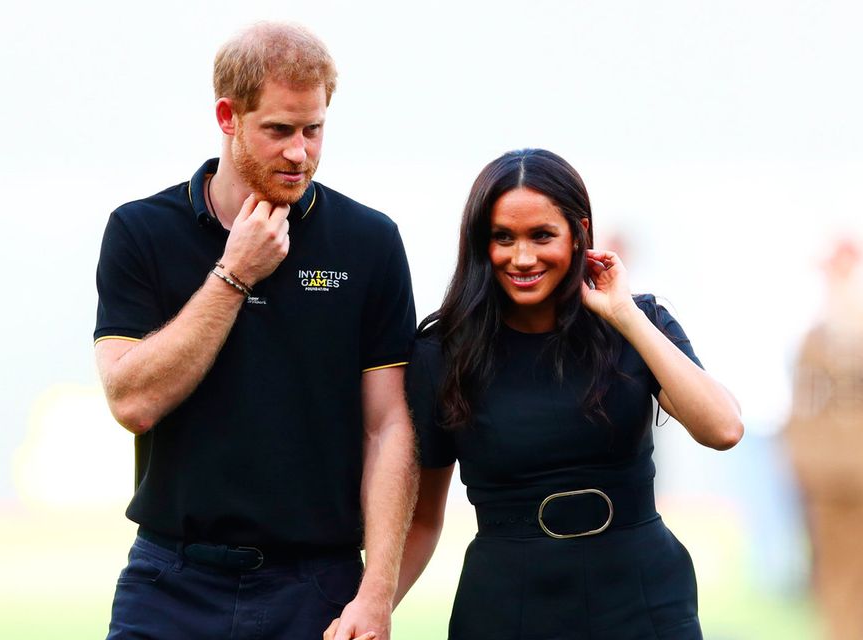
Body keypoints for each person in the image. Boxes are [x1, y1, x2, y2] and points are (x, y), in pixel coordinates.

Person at [94, 22, 417, 640]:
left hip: (317, 585)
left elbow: (389, 425)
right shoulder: (141, 232)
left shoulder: (369, 241)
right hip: (171, 581)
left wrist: (377, 596)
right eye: (279, 130)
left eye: (313, 129)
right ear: (228, 116)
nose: (299, 152)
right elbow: (132, 401)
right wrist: (234, 274)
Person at [396, 149, 743, 639]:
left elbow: (723, 428)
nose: (522, 257)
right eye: (502, 238)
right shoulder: (442, 353)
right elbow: (423, 519)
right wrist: (370, 605)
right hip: (506, 605)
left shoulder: (638, 324)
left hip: (642, 598)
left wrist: (624, 314)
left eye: (542, 235)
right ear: (480, 243)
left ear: (579, 233)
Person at [785, 240, 863, 640]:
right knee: (835, 573)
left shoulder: (823, 334)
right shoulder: (816, 336)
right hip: (830, 476)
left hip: (836, 469)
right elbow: (803, 407)